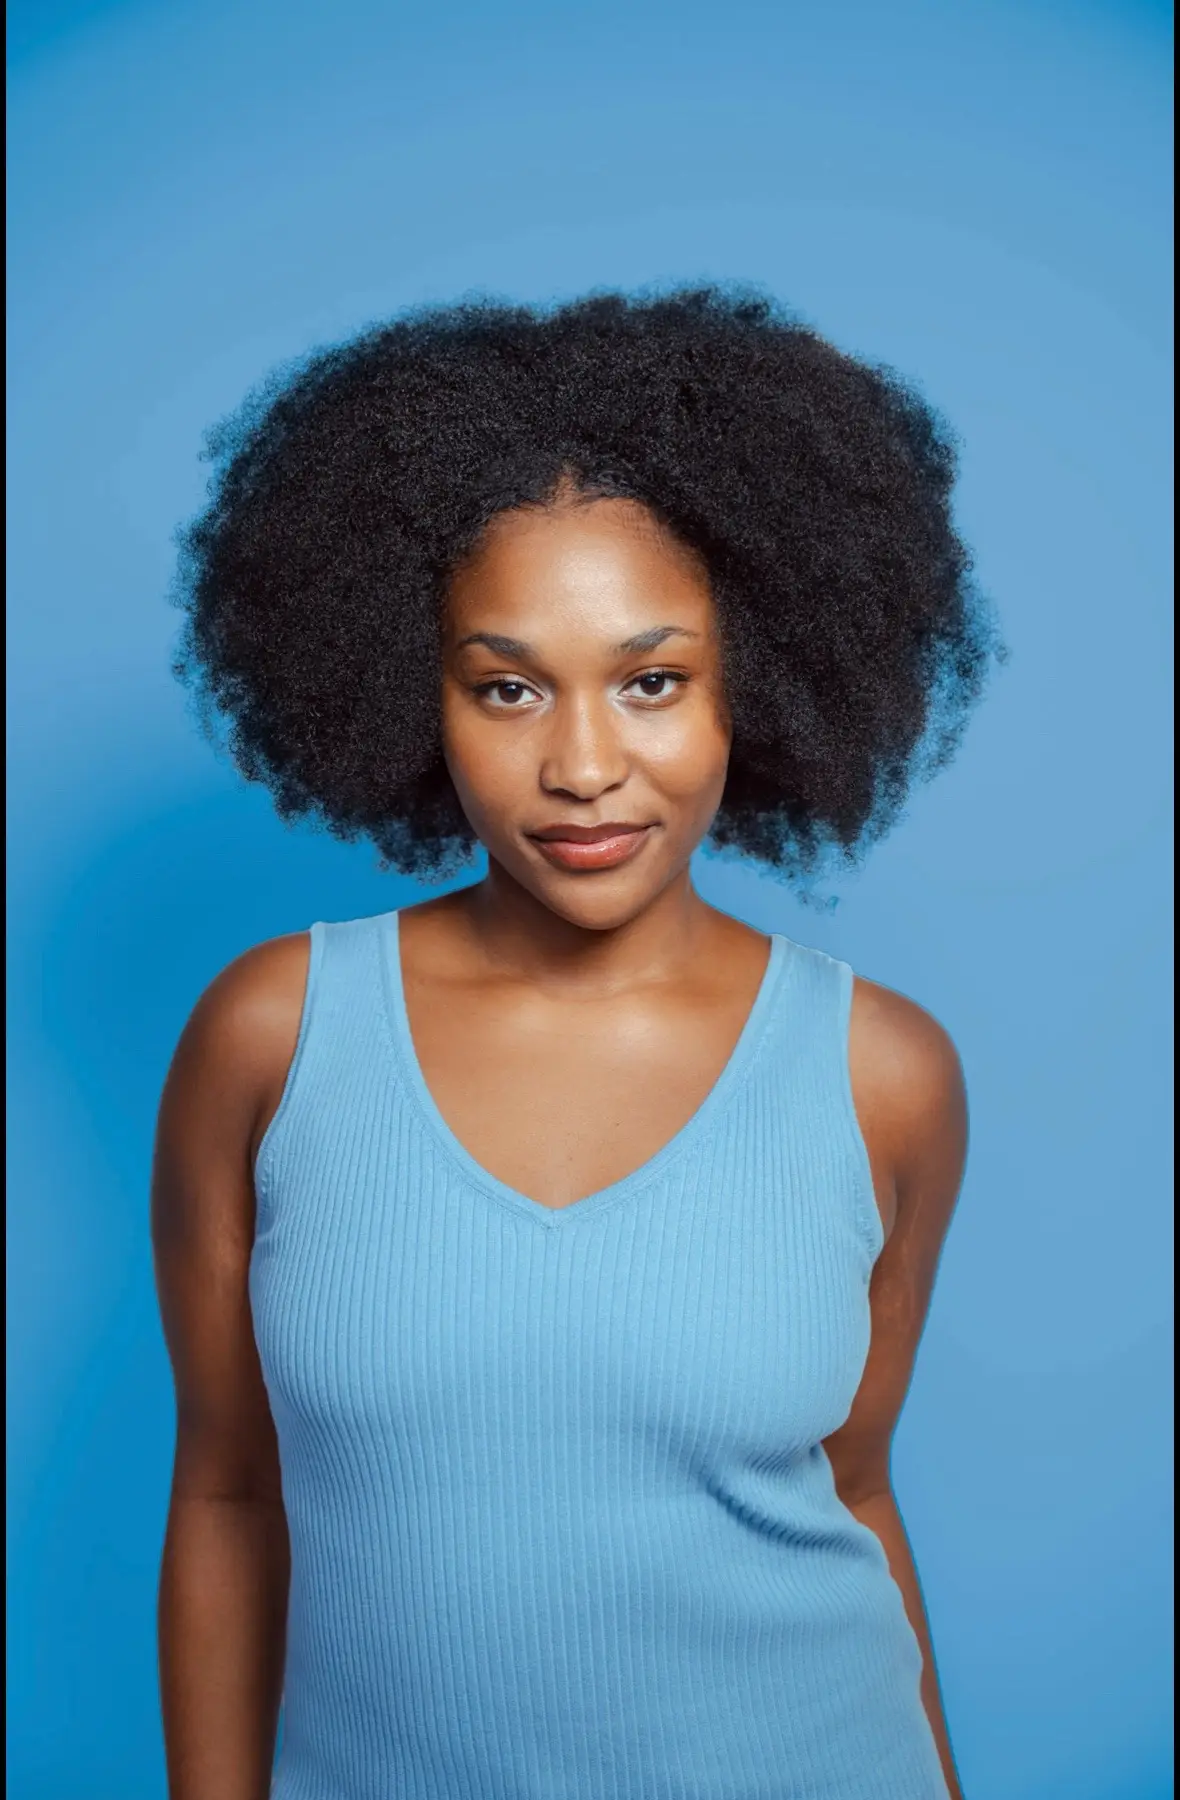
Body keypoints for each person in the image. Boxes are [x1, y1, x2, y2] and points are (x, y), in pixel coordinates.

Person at [152, 286, 997, 1800]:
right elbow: (225, 1493)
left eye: (652, 680)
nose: (585, 765)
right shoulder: (273, 1035)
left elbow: (857, 1493)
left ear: (758, 687)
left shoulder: (884, 1074)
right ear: (417, 696)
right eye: (509, 688)